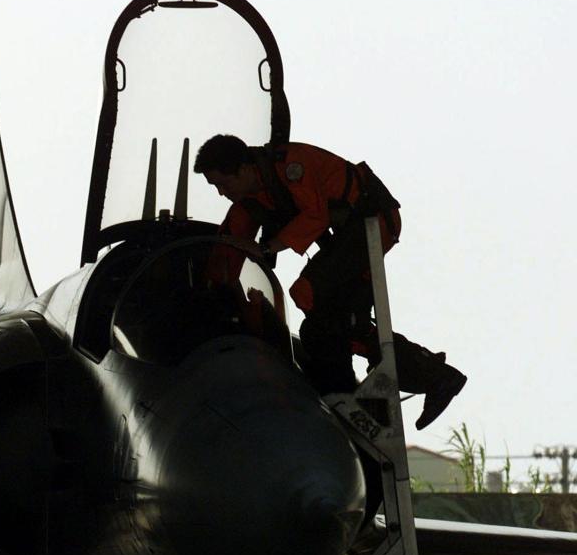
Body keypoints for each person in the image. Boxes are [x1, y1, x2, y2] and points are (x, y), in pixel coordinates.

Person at [194, 134, 466, 430]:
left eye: (223, 184)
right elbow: (224, 256)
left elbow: (315, 216)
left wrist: (268, 248)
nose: (221, 193)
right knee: (326, 328)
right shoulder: (251, 201)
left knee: (306, 293)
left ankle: (357, 393)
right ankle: (429, 376)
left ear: (243, 169)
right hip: (350, 236)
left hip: (372, 220)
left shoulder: (289, 165)